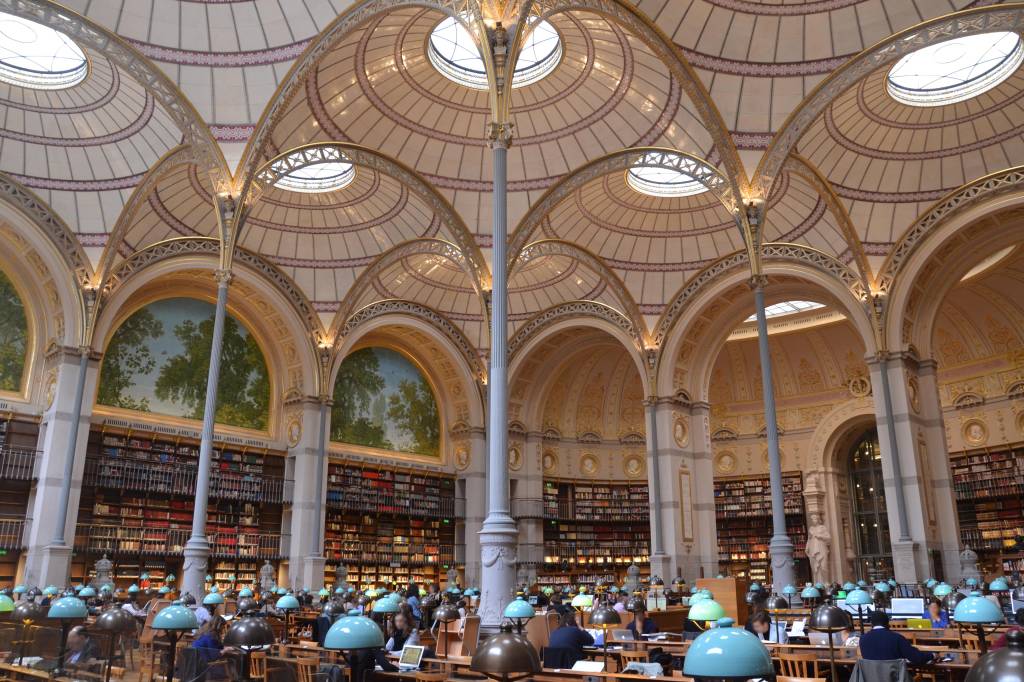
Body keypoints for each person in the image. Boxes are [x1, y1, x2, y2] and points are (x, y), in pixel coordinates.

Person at [859, 611, 934, 664]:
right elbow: (916, 658)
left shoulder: (862, 639)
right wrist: (932, 655)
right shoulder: (897, 638)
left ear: (871, 624)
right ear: (888, 624)